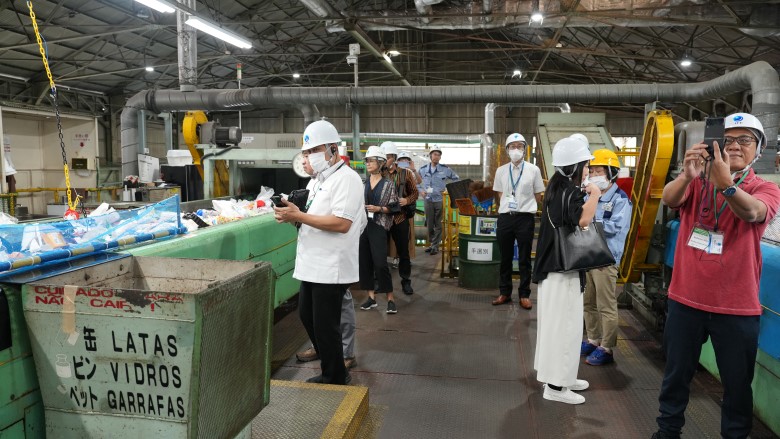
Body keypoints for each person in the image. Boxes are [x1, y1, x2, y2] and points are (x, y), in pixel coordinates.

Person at [653, 113, 780, 439]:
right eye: (728, 140)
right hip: (686, 300)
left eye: (745, 140)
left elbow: (752, 212)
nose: (735, 146)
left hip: (736, 308)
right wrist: (686, 174)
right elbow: (669, 199)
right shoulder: (696, 181)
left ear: (758, 149)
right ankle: (667, 433)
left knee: (737, 386)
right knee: (676, 376)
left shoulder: (766, 187)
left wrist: (724, 182)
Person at [274, 120, 366, 385]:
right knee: (307, 315)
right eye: (305, 152)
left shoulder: (346, 179)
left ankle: (335, 374)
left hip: (331, 265)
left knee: (326, 325)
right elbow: (313, 217)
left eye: (313, 151)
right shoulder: (317, 182)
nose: (308, 157)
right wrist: (293, 216)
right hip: (312, 263)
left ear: (333, 150)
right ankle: (332, 363)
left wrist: (300, 215)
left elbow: (342, 222)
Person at [532, 136, 600, 405]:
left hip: (555, 271)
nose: (588, 170)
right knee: (564, 327)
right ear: (574, 166)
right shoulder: (569, 191)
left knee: (562, 328)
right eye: (585, 165)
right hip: (562, 271)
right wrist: (594, 194)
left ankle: (564, 377)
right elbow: (583, 220)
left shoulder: (557, 187)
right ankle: (555, 387)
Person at [579, 148, 632, 366]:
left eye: (599, 171)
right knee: (588, 302)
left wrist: (589, 223)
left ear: (611, 173)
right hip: (587, 256)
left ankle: (607, 347)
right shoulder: (589, 196)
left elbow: (614, 228)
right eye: (591, 171)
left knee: (606, 305)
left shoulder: (621, 200)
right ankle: (592, 339)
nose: (594, 176)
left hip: (605, 260)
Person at [491, 133, 545, 309]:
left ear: (525, 149)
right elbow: (499, 193)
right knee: (505, 257)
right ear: (507, 150)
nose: (516, 150)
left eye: (519, 146)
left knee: (524, 258)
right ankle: (504, 292)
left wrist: (524, 206)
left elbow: (538, 194)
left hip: (525, 218)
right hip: (506, 217)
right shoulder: (501, 170)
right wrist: (509, 205)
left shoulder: (533, 170)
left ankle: (524, 294)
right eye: (512, 147)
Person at [359, 145, 400, 314]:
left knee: (381, 263)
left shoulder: (388, 184)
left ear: (381, 163)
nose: (368, 163)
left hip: (379, 226)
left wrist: (379, 209)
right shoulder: (363, 182)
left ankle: (390, 298)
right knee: (365, 262)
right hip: (363, 227)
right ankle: (371, 297)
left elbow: (394, 207)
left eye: (371, 160)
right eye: (367, 161)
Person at [382, 141, 419, 295]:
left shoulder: (405, 173)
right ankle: (381, 282)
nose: (385, 160)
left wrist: (407, 200)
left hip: (400, 218)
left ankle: (406, 281)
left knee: (403, 252)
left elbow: (415, 193)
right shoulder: (379, 173)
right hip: (382, 218)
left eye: (388, 157)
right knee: (380, 252)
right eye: (383, 157)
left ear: (394, 157)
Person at [418, 145, 459, 255]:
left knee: (439, 224)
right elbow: (416, 182)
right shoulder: (422, 170)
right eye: (435, 154)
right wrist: (421, 191)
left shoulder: (445, 170)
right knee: (430, 224)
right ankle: (432, 243)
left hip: (439, 200)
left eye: (439, 155)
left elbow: (456, 178)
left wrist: (447, 189)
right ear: (430, 155)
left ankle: (435, 246)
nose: (436, 157)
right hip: (427, 199)